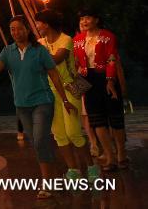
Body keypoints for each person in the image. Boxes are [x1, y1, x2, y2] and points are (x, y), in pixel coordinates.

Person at [0, 16, 74, 200]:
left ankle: (47, 183)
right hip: (22, 105)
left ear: (27, 30)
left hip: (43, 100)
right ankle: (54, 176)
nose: (15, 32)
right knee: (38, 142)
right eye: (12, 29)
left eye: (19, 28)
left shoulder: (39, 50)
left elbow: (54, 74)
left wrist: (65, 100)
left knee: (39, 139)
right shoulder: (7, 51)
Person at [34, 10, 99, 182]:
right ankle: (73, 170)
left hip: (70, 89)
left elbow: (56, 59)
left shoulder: (66, 39)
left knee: (74, 133)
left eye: (39, 23)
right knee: (59, 134)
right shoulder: (39, 42)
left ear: (46, 24)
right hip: (50, 92)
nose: (37, 26)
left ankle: (92, 167)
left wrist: (39, 52)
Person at [72, 8, 128, 171]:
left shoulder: (108, 36)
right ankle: (109, 157)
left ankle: (121, 154)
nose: (84, 21)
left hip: (106, 78)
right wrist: (78, 83)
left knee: (115, 118)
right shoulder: (77, 39)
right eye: (82, 19)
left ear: (96, 19)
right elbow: (76, 63)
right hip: (88, 81)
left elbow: (112, 59)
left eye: (87, 18)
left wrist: (111, 81)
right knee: (97, 120)